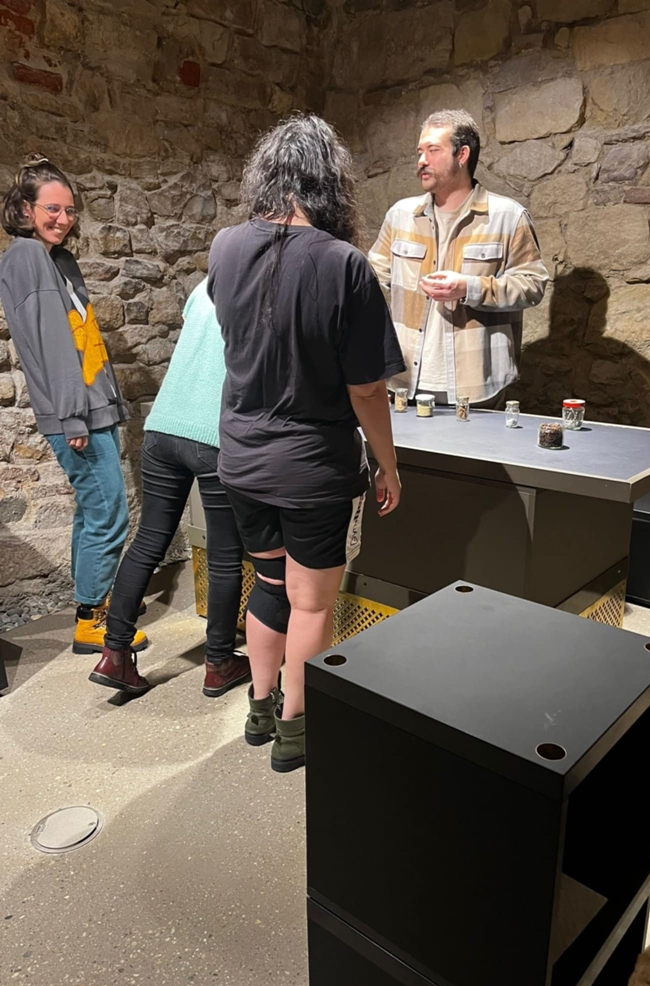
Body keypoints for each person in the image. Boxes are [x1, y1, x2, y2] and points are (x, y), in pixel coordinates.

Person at [208, 114, 405, 774]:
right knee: (312, 600)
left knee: (269, 584)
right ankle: (296, 729)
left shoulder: (225, 248)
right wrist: (387, 463)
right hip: (312, 469)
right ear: (330, 183)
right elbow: (367, 390)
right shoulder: (344, 264)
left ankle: (259, 709)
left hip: (241, 459)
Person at [0, 157, 146, 654]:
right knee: (109, 511)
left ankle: (92, 603)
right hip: (75, 412)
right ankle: (91, 621)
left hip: (90, 405)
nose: (62, 218)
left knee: (94, 508)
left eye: (68, 210)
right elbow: (53, 345)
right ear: (25, 209)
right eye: (51, 209)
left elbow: (82, 338)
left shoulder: (57, 259)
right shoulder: (27, 257)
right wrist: (72, 416)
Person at [89, 278, 248, 698]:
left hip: (163, 426)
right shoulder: (261, 287)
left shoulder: (207, 284)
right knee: (225, 555)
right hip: (213, 435)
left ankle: (115, 654)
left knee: (148, 542)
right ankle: (219, 662)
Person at [368, 108, 550, 407]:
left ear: (462, 154)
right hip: (403, 382)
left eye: (433, 150)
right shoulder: (400, 216)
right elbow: (369, 281)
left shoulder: (507, 217)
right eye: (420, 152)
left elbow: (532, 285)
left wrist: (469, 287)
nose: (421, 161)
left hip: (476, 386)